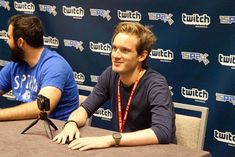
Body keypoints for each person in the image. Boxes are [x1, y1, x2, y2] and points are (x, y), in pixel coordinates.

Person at [53, 22, 176, 150]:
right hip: (124, 149)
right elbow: (85, 109)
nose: (116, 55)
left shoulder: (156, 84)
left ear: (142, 55)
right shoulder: (110, 74)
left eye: (125, 50)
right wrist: (71, 123)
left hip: (156, 152)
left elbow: (162, 132)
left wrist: (110, 139)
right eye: (114, 48)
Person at [0, 14, 78, 121]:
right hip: (24, 129)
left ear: (20, 42)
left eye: (9, 37)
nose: (7, 42)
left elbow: (41, 108)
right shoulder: (17, 65)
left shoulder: (54, 66)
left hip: (56, 133)